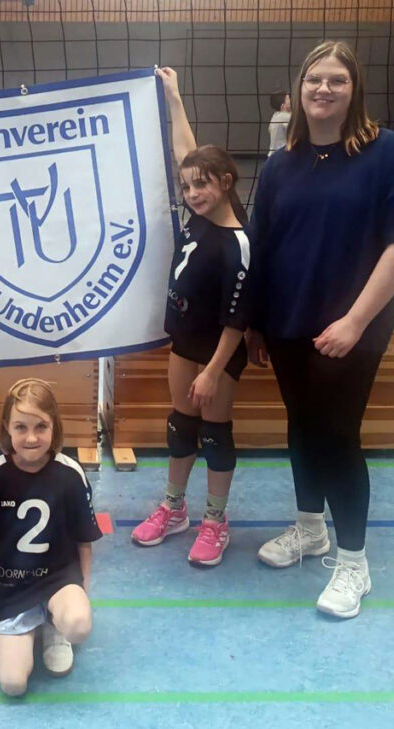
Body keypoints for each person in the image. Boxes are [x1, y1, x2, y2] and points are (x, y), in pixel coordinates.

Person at [246, 41, 394, 618]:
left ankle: (353, 561)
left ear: (355, 90)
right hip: (288, 321)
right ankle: (310, 529)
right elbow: (263, 247)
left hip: (352, 327)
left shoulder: (388, 152)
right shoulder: (281, 164)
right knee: (302, 426)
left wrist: (355, 321)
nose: (323, 89)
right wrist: (256, 322)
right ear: (299, 88)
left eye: (337, 80)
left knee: (337, 435)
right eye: (314, 79)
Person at [130, 67, 251, 567]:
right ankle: (174, 508)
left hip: (218, 353)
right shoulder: (195, 217)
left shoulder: (237, 243)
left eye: (202, 185)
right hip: (183, 344)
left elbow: (237, 321)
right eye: (186, 187)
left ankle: (215, 520)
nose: (192, 193)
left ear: (226, 183)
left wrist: (213, 371)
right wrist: (174, 96)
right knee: (181, 425)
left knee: (214, 433)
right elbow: (186, 152)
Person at [0, 379, 102, 696]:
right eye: (21, 427)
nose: (31, 438)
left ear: (54, 426)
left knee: (78, 624)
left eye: (41, 426)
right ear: (7, 427)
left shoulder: (70, 473)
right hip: (11, 587)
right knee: (13, 685)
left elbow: (83, 541)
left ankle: (55, 625)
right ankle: (30, 622)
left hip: (58, 579)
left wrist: (82, 592)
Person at [268, 88, 292, 156]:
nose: (291, 100)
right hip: (280, 155)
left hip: (272, 154)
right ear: (283, 105)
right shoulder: (284, 117)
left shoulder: (275, 115)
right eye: (288, 99)